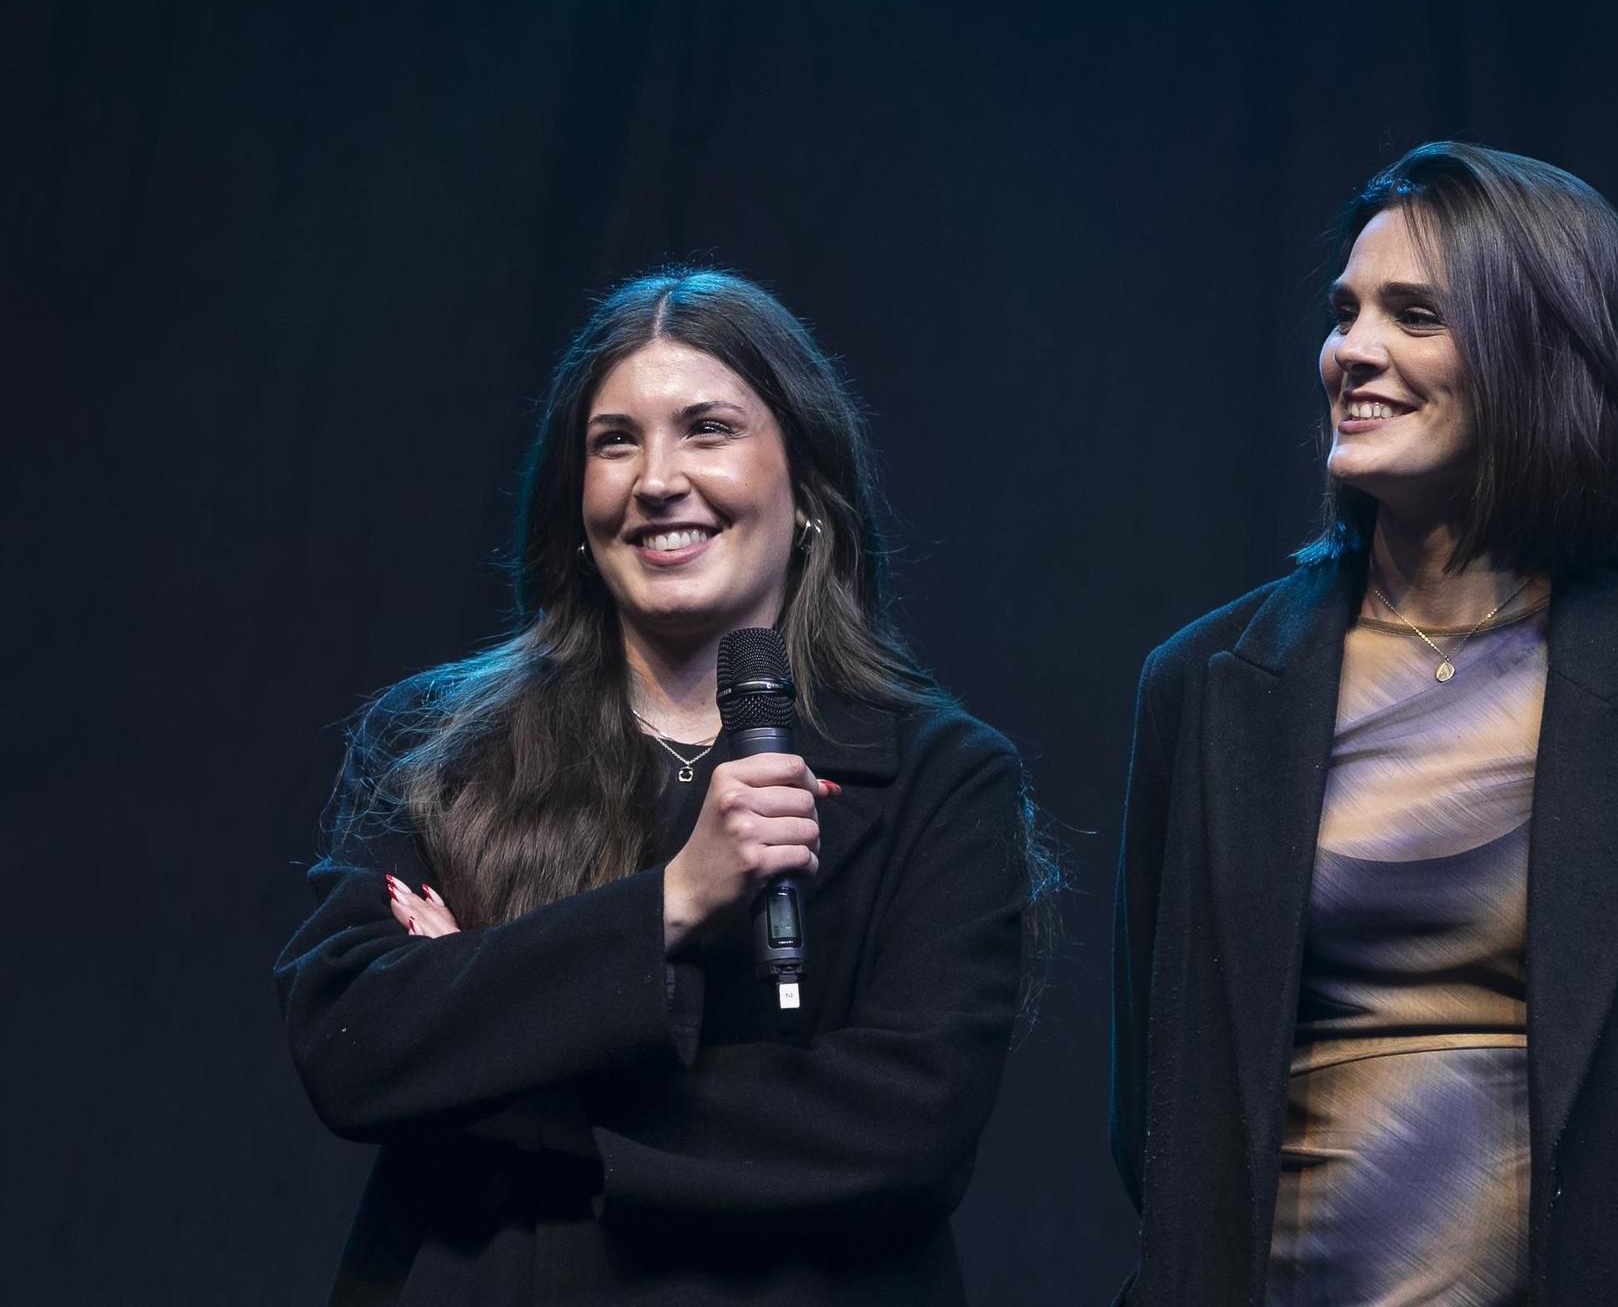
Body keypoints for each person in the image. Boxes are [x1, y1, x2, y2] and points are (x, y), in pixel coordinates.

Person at [1110, 142, 1618, 1307]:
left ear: (1540, 354)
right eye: (1344, 312)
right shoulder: (1204, 687)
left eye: (1413, 314)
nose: (1350, 351)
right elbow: (1158, 1110)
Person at [277, 268, 1046, 1305]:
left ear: (806, 486)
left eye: (707, 429)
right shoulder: (444, 744)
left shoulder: (943, 779)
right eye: (614, 441)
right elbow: (352, 1039)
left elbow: (902, 1127)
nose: (655, 478)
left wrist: (493, 1061)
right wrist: (672, 903)